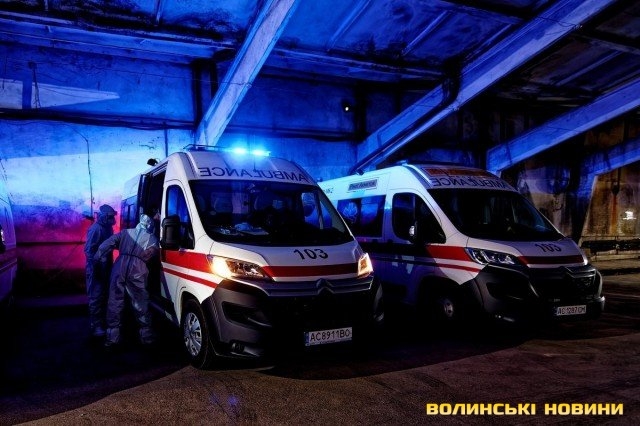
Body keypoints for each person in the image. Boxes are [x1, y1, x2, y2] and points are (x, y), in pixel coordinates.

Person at [94, 214, 160, 348]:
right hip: (138, 269)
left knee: (114, 301)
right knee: (140, 301)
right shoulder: (152, 239)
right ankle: (146, 336)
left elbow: (105, 245)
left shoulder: (125, 233)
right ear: (151, 225)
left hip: (119, 266)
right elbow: (150, 256)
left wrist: (97, 260)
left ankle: (112, 337)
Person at [84, 204, 117, 338]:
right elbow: (89, 251)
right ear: (103, 216)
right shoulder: (96, 229)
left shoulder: (108, 228)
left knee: (104, 295)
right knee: (96, 297)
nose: (113, 220)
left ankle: (102, 322)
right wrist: (96, 266)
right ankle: (96, 325)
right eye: (110, 217)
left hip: (106, 267)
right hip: (96, 268)